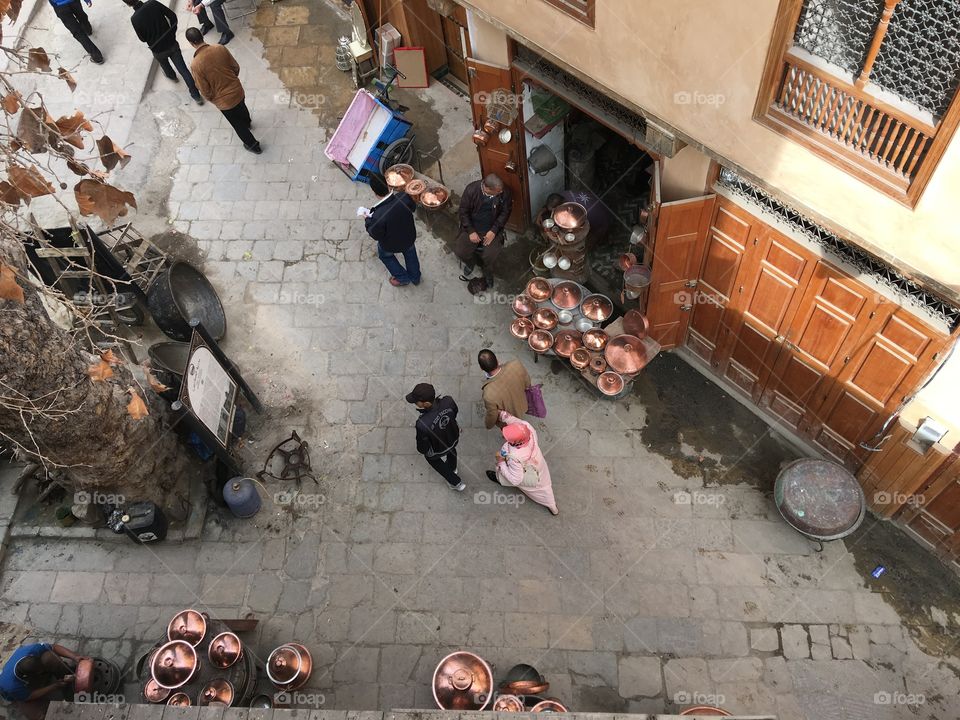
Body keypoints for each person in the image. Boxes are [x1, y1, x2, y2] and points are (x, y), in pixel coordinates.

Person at [185, 27, 261, 154]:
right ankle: (248, 122)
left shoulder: (195, 64)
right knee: (241, 106)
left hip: (223, 101)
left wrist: (212, 98)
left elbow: (204, 89)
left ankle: (253, 145)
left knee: (237, 124)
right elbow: (235, 67)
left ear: (191, 43)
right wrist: (232, 80)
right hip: (237, 89)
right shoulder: (220, 48)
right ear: (202, 37)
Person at [123, 0, 203, 105]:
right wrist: (172, 33)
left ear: (128, 4)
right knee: (183, 70)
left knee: (165, 65)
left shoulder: (134, 19)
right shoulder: (153, 3)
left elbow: (142, 39)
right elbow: (173, 16)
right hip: (171, 44)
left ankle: (172, 76)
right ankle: (196, 96)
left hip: (157, 49)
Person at [487, 410, 558, 515]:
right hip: (538, 464)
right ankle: (553, 507)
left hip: (523, 470)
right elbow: (517, 423)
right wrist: (503, 415)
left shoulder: (514, 457)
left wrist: (501, 462)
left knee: (503, 475)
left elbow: (515, 480)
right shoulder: (527, 429)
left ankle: (498, 479)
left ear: (514, 442)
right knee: (544, 486)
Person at [455, 173, 513, 289]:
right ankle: (470, 263)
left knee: (490, 255)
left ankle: (487, 271)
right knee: (461, 251)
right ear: (487, 188)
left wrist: (494, 230)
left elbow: (505, 212)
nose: (501, 193)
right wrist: (471, 231)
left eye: (501, 191)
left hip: (492, 229)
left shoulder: (504, 192)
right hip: (472, 227)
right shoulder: (471, 190)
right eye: (498, 192)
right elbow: (463, 211)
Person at [362, 173, 421, 287]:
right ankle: (415, 277)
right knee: (411, 255)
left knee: (385, 256)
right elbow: (412, 208)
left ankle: (402, 278)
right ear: (389, 186)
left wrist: (368, 220)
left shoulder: (377, 216)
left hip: (390, 245)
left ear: (374, 192)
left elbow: (375, 234)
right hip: (409, 237)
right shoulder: (404, 197)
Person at [406, 383, 464, 491]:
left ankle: (456, 482)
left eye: (416, 401)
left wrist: (426, 451)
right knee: (452, 451)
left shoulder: (422, 423)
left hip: (438, 449)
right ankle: (453, 467)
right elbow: (454, 413)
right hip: (453, 437)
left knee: (434, 460)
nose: (415, 403)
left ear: (426, 403)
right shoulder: (448, 401)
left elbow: (422, 447)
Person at [0, 642, 82, 703]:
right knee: (39, 715)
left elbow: (54, 647)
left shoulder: (32, 650)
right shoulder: (11, 686)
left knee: (50, 657)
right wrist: (54, 686)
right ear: (28, 676)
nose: (43, 671)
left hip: (31, 673)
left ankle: (66, 674)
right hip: (21, 693)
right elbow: (29, 696)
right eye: (40, 672)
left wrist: (74, 657)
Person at [540, 190, 613, 248]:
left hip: (602, 219)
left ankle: (600, 242)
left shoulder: (578, 211)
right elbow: (549, 206)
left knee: (589, 241)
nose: (553, 212)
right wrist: (539, 216)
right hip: (595, 200)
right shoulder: (561, 196)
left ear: (562, 205)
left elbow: (576, 225)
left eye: (554, 211)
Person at [478, 349, 531, 430]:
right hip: (523, 403)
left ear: (481, 368)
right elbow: (527, 381)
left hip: (509, 419)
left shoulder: (488, 394)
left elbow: (492, 414)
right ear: (497, 359)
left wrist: (488, 425)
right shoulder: (515, 364)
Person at [48, 0, 103, 64]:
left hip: (60, 6)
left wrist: (55, 6)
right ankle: (88, 30)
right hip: (74, 2)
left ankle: (97, 57)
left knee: (77, 32)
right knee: (81, 16)